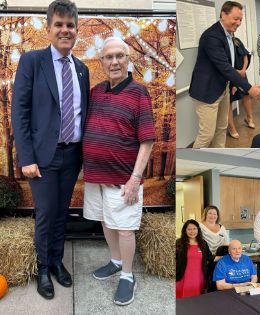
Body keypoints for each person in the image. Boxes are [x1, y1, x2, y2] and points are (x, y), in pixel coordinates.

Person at [12, 0, 89, 299]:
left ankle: (57, 262)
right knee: (45, 213)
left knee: (61, 213)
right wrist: (26, 158)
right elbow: (20, 112)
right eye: (59, 25)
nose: (65, 30)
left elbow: (84, 112)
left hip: (72, 155)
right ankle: (43, 268)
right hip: (42, 157)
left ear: (76, 30)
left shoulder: (81, 69)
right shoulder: (32, 62)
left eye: (70, 25)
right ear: (48, 29)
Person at [83, 37, 155, 306]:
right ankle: (115, 260)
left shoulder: (139, 93)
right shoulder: (96, 91)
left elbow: (147, 140)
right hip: (95, 176)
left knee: (125, 229)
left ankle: (127, 275)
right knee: (105, 219)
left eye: (119, 56)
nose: (114, 61)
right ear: (101, 62)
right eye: (108, 57)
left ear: (127, 60)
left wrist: (135, 178)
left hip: (123, 179)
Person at [189, 1, 260, 148]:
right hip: (206, 92)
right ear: (223, 14)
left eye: (240, 19)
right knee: (206, 135)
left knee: (221, 128)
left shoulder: (229, 35)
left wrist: (233, 84)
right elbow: (225, 67)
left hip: (223, 88)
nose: (239, 22)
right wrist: (249, 88)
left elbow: (231, 63)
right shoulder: (212, 36)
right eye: (236, 18)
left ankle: (217, 159)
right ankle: (192, 163)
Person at [176, 220, 213, 299]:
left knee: (197, 301)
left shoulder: (203, 243)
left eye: (194, 229)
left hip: (199, 278)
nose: (192, 231)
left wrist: (224, 257)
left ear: (198, 230)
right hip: (183, 277)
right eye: (189, 229)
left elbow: (210, 257)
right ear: (185, 231)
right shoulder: (179, 243)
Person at [226, 33, 252, 138]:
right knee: (228, 101)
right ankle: (231, 127)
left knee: (246, 95)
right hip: (229, 76)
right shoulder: (222, 43)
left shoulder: (237, 41)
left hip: (242, 74)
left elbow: (245, 56)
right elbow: (224, 64)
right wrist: (236, 72)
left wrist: (243, 70)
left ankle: (249, 118)